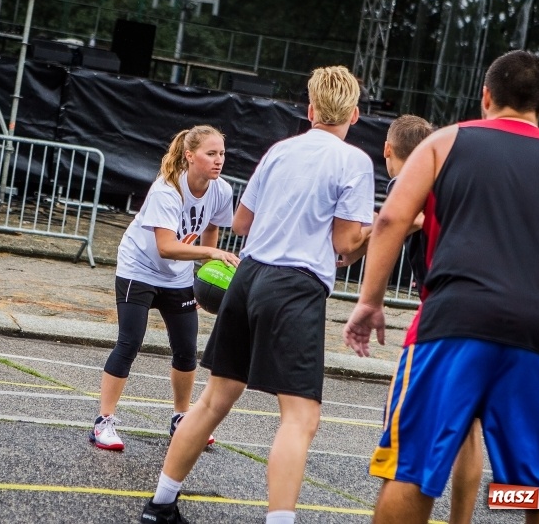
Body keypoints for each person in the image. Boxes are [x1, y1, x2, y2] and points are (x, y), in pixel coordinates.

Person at [344, 50, 539, 524]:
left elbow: (390, 220)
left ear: (485, 96)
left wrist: (370, 302)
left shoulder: (445, 143)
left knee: (412, 471)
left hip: (456, 320)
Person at [140, 65, 375, 524]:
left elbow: (242, 224)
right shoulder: (354, 162)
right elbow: (347, 243)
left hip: (249, 276)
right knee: (299, 417)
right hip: (294, 285)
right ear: (355, 114)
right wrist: (383, 231)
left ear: (310, 110)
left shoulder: (280, 151)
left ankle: (161, 503)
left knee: (213, 399)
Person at [340, 114, 484, 524]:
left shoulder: (409, 180)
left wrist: (361, 260)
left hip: (445, 310)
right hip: (485, 306)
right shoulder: (454, 176)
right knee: (469, 429)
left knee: (407, 426)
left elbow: (400, 219)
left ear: (388, 149)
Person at [90, 125, 240, 452]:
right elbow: (166, 247)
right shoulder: (167, 190)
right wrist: (211, 253)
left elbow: (212, 226)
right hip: (139, 268)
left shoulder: (221, 190)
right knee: (130, 342)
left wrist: (206, 276)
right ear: (190, 155)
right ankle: (104, 421)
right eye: (211, 154)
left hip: (178, 276)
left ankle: (181, 418)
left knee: (187, 350)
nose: (219, 161)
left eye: (222, 154)